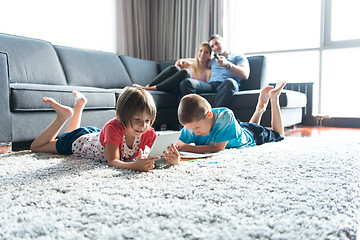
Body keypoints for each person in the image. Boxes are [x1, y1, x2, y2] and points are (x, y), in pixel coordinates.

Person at [30, 87, 180, 172]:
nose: (143, 126)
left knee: (68, 133)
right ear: (121, 116)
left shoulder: (146, 132)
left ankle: (78, 107)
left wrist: (173, 159)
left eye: (148, 121)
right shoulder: (113, 128)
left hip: (96, 135)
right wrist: (134, 166)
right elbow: (113, 161)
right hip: (79, 141)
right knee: (37, 147)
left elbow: (159, 156)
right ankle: (62, 117)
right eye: (137, 120)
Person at [176, 81, 287, 154]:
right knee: (246, 127)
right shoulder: (193, 124)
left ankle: (274, 98)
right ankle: (259, 110)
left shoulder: (225, 115)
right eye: (190, 129)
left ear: (209, 115)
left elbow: (217, 148)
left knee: (279, 134)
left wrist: (187, 147)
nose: (194, 133)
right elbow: (178, 141)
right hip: (236, 129)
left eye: (197, 128)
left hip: (253, 135)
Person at [179, 34, 250, 108]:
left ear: (222, 42)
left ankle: (214, 116)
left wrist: (227, 65)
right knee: (187, 82)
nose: (215, 47)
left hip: (227, 84)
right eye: (212, 46)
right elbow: (198, 59)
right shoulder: (212, 60)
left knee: (230, 82)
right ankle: (194, 116)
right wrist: (182, 60)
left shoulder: (237, 57)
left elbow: (245, 74)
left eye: (216, 43)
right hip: (211, 85)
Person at [133, 42, 212, 93]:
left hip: (180, 89)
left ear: (209, 56)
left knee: (185, 73)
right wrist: (183, 60)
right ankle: (148, 86)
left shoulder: (208, 71)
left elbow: (205, 86)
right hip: (170, 85)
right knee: (175, 69)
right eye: (200, 51)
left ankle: (151, 89)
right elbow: (177, 64)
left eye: (206, 52)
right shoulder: (190, 63)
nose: (202, 54)